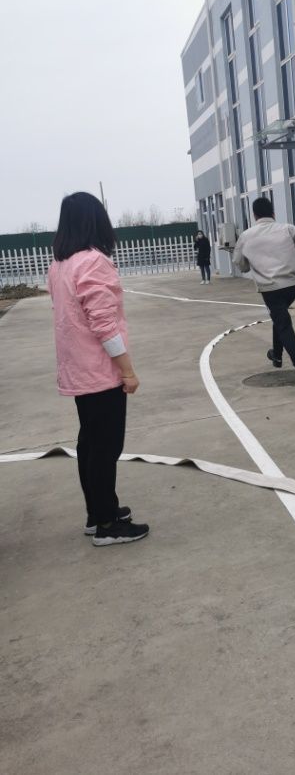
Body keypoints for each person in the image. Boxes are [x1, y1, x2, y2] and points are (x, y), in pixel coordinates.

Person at [47, 192, 149, 546]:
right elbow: (104, 324)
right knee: (106, 447)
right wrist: (127, 371)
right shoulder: (93, 261)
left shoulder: (60, 264)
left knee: (90, 443)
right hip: (99, 371)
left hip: (78, 369)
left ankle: (99, 512)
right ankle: (107, 524)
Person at [232, 196, 295, 392]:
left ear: (254, 215)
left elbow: (239, 263)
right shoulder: (288, 229)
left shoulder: (246, 236)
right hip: (291, 286)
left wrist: (248, 266)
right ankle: (277, 356)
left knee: (282, 322)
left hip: (269, 288)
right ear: (273, 213)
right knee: (279, 318)